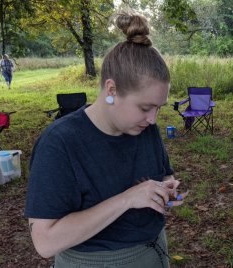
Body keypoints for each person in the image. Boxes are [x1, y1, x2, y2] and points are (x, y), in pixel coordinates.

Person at [25, 11, 187, 268]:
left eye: (159, 108)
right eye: (145, 108)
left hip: (154, 252)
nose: (153, 119)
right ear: (111, 90)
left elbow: (163, 174)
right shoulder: (60, 143)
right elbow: (45, 242)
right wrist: (127, 199)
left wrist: (165, 187)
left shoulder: (144, 128)